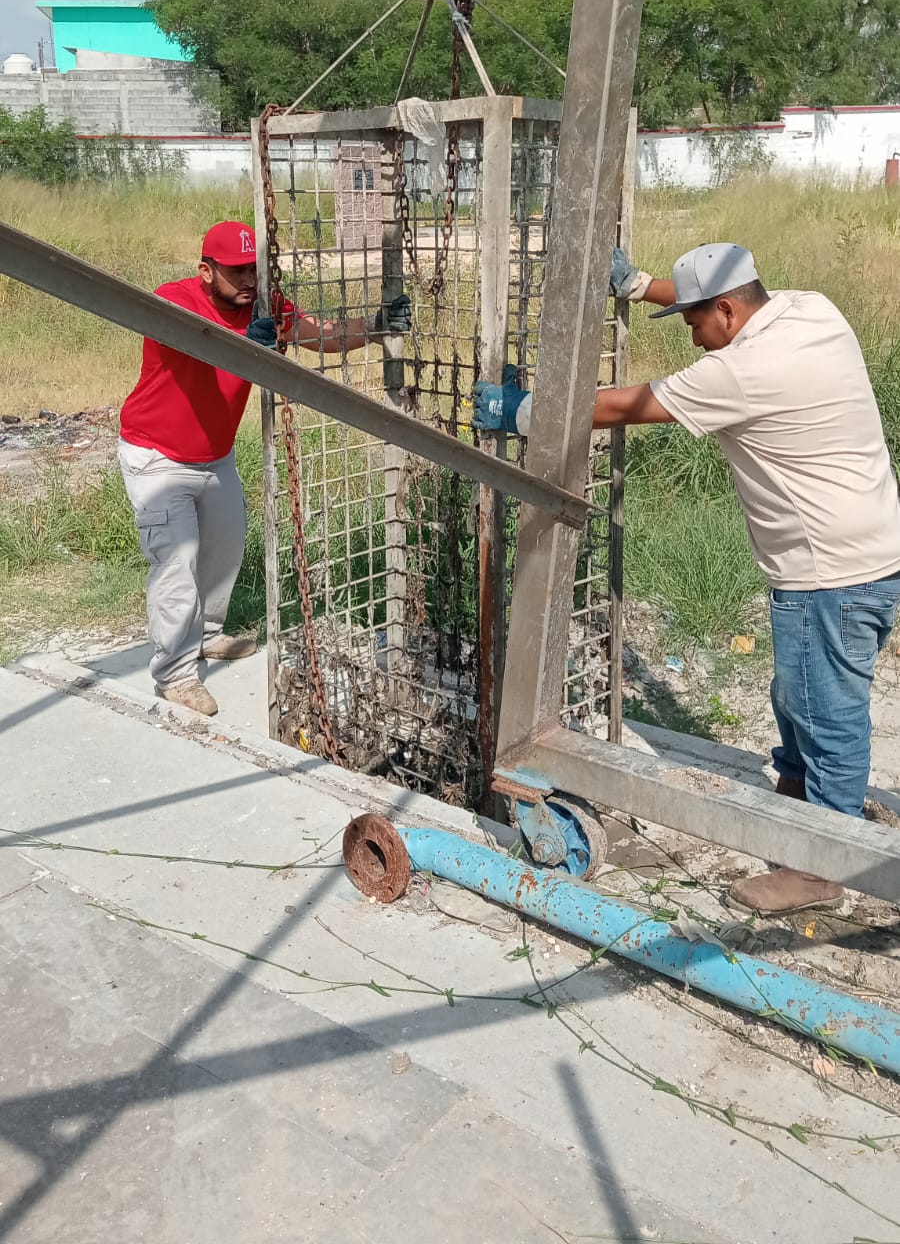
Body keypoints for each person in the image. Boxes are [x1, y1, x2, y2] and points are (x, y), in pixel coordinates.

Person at [473, 242, 900, 914]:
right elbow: (715, 297)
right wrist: (644, 287)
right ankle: (798, 804)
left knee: (828, 713)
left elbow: (622, 407)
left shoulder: (741, 373)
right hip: (863, 552)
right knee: (799, 693)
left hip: (830, 574)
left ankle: (822, 866)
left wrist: (525, 412)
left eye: (694, 325)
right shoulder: (808, 312)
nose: (695, 341)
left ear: (726, 313)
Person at [119, 220, 410, 719]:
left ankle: (207, 634)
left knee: (224, 549)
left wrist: (376, 323)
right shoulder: (174, 301)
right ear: (206, 272)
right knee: (176, 566)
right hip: (158, 457)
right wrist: (247, 350)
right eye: (237, 273)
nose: (250, 282)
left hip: (215, 454)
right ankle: (176, 676)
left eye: (254, 270)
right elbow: (198, 352)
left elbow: (320, 336)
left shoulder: (262, 306)